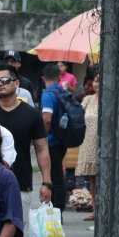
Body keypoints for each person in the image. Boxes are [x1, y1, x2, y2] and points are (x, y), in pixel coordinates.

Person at [0, 61, 52, 237]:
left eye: (4, 80)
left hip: (21, 182)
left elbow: (41, 148)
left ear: (16, 83)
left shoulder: (31, 114)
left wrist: (46, 182)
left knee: (15, 233)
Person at [40, 63, 70, 212]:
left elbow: (47, 119)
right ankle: (58, 207)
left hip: (51, 141)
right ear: (59, 77)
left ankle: (57, 209)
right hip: (62, 139)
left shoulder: (48, 95)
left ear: (43, 78)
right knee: (58, 174)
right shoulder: (62, 92)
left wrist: (42, 137)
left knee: (55, 175)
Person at [76, 71, 99, 220]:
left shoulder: (111, 100)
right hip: (88, 142)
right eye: (96, 80)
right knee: (93, 178)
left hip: (102, 143)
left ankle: (106, 209)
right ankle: (95, 209)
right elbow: (78, 117)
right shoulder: (88, 99)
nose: (97, 83)